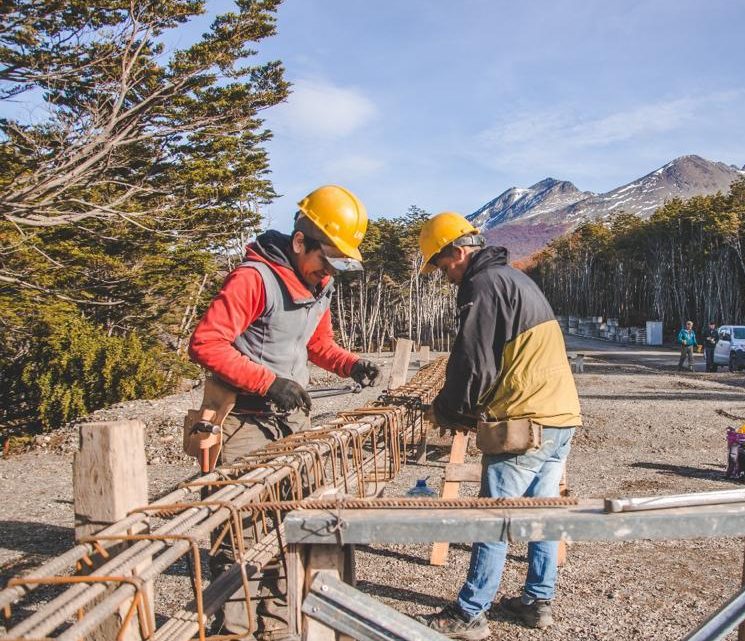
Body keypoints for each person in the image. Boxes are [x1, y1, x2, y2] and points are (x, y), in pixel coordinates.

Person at [188, 184, 382, 638]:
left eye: (337, 264)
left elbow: (317, 345)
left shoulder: (320, 285)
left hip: (289, 420)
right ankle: (235, 631)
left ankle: (275, 627)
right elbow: (206, 342)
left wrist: (351, 364)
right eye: (325, 260)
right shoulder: (254, 278)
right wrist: (268, 382)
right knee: (241, 536)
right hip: (242, 420)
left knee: (288, 528)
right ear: (300, 243)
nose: (328, 273)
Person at [415, 212, 581, 640]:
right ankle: (537, 601)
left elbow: (473, 361)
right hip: (560, 417)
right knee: (541, 511)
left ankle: (471, 612)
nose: (446, 276)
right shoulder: (514, 278)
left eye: (443, 265)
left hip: (524, 422)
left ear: (458, 251)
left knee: (494, 516)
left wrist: (449, 411)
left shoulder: (481, 285)